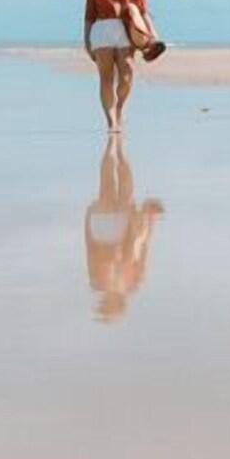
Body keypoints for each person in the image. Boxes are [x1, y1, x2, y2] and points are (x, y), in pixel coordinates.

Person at [83, 0, 165, 132]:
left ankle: (119, 108)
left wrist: (153, 35)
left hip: (126, 30)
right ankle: (111, 121)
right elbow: (88, 16)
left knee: (126, 75)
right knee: (106, 77)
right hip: (102, 30)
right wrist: (86, 41)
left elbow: (143, 12)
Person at [83, 137, 163, 323]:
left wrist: (147, 223)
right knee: (106, 184)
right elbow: (90, 248)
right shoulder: (98, 282)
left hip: (115, 229)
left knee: (126, 191)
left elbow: (140, 246)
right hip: (101, 227)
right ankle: (114, 148)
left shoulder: (131, 283)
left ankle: (118, 149)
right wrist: (88, 219)